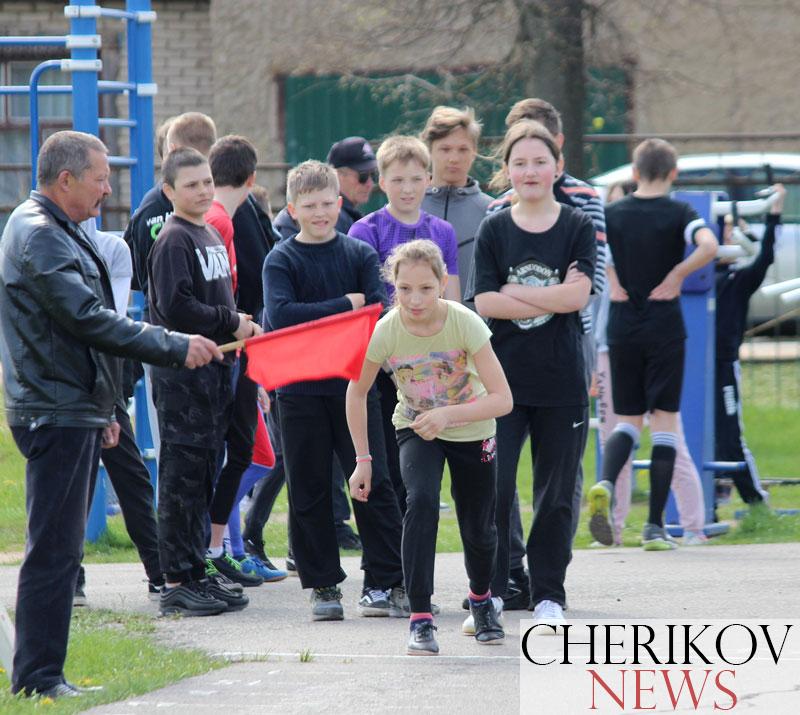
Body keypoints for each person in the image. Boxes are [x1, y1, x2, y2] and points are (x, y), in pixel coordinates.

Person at [0, 130, 219, 698]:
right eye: (100, 178)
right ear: (65, 179)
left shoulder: (59, 228)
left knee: (62, 547)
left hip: (74, 407)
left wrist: (105, 408)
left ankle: (44, 675)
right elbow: (89, 319)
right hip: (54, 411)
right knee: (55, 549)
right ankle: (38, 680)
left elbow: (80, 330)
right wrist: (173, 344)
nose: (108, 189)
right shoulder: (40, 234)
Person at [347, 239, 512, 655]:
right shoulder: (386, 330)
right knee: (420, 502)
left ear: (442, 284)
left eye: (425, 288)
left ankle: (482, 601)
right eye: (404, 289)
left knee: (478, 525)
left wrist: (448, 415)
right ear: (393, 286)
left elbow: (502, 399)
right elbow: (356, 391)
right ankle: (420, 617)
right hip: (416, 427)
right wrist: (363, 459)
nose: (415, 299)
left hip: (472, 428)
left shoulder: (465, 323)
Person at [479, 98, 607, 611]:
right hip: (502, 383)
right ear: (507, 170)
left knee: (555, 494)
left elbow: (579, 298)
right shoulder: (494, 227)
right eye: (520, 163)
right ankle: (492, 590)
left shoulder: (576, 225)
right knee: (494, 488)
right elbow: (485, 302)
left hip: (562, 379)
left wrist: (517, 290)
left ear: (558, 165)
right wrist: (551, 293)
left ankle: (549, 592)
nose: (529, 171)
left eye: (539, 161)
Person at [262, 160, 404, 621]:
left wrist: (337, 312)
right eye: (309, 206)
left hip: (356, 387)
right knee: (308, 488)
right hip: (299, 389)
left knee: (374, 481)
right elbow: (282, 315)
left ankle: (386, 580)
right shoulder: (281, 259)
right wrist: (345, 305)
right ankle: (323, 584)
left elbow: (377, 310)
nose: (320, 213)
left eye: (326, 204)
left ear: (339, 204)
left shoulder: (358, 254)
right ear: (292, 209)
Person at [587, 138, 717, 551]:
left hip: (622, 327)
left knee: (626, 421)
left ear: (634, 172)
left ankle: (606, 481)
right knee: (664, 424)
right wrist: (678, 274)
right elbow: (709, 245)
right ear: (673, 173)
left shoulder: (612, 213)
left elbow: (593, 251)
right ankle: (655, 527)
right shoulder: (680, 212)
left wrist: (613, 280)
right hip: (664, 326)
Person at [147, 147, 262, 616]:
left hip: (215, 374)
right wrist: (231, 321)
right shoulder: (173, 238)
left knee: (202, 479)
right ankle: (175, 579)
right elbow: (176, 306)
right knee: (181, 480)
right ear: (169, 191)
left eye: (207, 182)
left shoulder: (210, 232)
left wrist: (237, 323)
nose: (202, 191)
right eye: (191, 184)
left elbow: (216, 299)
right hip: (183, 381)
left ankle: (196, 570)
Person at [349, 135, 460, 515]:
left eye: (415, 179)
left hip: (434, 361)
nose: (407, 189)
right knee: (388, 460)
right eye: (398, 180)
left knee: (429, 464)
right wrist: (386, 358)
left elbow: (451, 297)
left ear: (429, 179)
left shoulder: (442, 231)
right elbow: (366, 304)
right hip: (385, 360)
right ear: (382, 182)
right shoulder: (366, 231)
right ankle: (392, 544)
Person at [202, 135, 286, 584]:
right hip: (228, 358)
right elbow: (226, 305)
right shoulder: (220, 222)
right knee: (248, 458)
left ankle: (229, 549)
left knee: (244, 458)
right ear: (252, 179)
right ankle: (213, 543)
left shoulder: (221, 219)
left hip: (238, 356)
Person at [714, 184, 785, 513]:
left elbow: (764, 255)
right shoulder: (691, 278)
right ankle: (709, 499)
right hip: (690, 364)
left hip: (723, 365)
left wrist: (774, 215)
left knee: (729, 436)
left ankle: (756, 502)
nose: (729, 236)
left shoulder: (736, 280)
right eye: (725, 230)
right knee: (696, 432)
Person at [420, 105, 493, 296]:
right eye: (445, 149)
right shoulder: (408, 207)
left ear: (474, 152)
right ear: (429, 150)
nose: (454, 158)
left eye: (463, 149)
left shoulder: (491, 211)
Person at [273, 135, 377, 239]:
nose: (370, 183)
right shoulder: (333, 220)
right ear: (337, 175)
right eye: (363, 177)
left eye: (373, 175)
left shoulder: (345, 217)